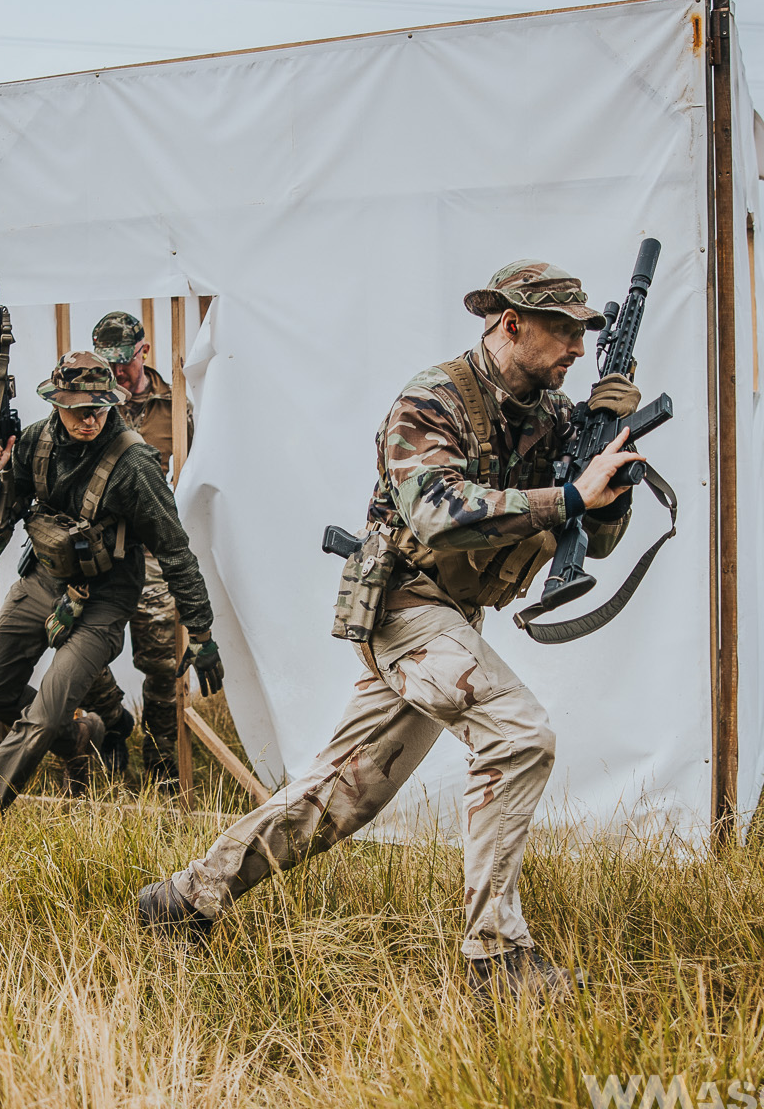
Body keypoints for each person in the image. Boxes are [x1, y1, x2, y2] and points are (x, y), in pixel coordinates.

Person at [134, 258, 645, 1004]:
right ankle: (496, 958)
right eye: (563, 330)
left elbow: (594, 540)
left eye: (583, 334)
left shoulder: (555, 416)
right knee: (519, 732)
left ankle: (186, 898)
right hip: (403, 606)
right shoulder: (432, 399)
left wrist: (609, 472)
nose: (576, 347)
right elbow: (438, 510)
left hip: (451, 616)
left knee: (340, 798)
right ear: (512, 324)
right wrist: (569, 494)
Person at [0, 351, 225, 822]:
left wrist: (202, 633)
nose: (89, 418)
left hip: (104, 600)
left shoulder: (134, 464)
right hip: (43, 579)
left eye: (99, 407)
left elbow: (176, 552)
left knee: (42, 716)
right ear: (56, 403)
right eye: (79, 407)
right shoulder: (36, 442)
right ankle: (81, 735)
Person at [77, 311, 194, 785]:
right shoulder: (91, 404)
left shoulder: (177, 406)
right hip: (98, 549)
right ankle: (114, 723)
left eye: (124, 363)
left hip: (149, 553)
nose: (118, 373)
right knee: (80, 650)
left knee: (162, 664)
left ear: (143, 351)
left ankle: (163, 766)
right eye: (109, 364)